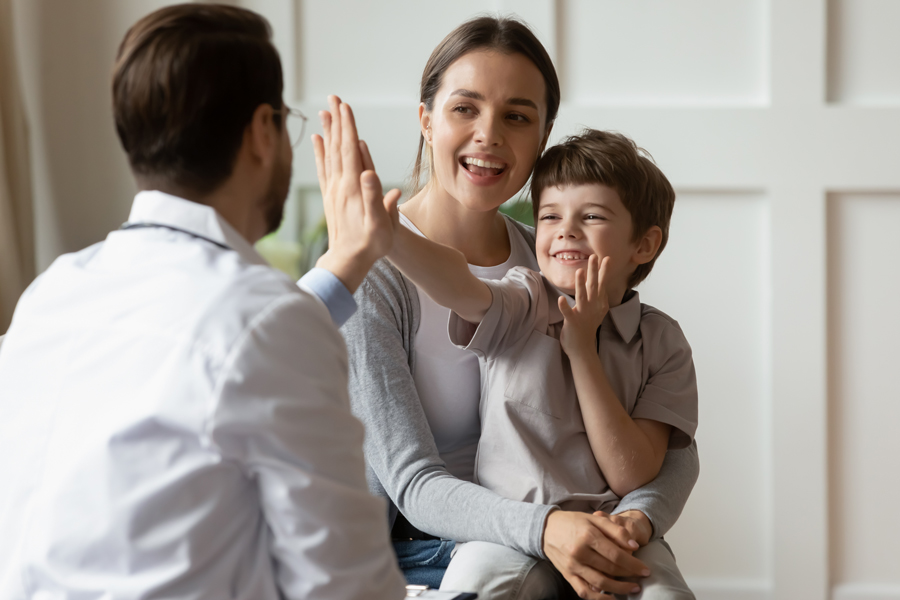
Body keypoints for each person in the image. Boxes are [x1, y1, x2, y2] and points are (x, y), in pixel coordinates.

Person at [0, 5, 406, 599]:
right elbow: (345, 586)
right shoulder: (264, 320)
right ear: (262, 132)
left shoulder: (52, 294)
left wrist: (347, 260)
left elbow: (211, 365)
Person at [336, 15, 701, 600]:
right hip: (421, 543)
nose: (489, 134)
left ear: (542, 137)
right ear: (427, 120)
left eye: (516, 116)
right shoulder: (374, 271)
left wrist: (636, 521)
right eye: (465, 108)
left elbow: (663, 442)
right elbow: (412, 482)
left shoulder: (553, 253)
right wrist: (546, 529)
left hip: (567, 524)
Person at [382, 129, 698, 599]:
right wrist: (391, 239)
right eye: (550, 215)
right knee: (481, 588)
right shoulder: (524, 297)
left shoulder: (663, 342)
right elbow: (460, 286)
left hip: (612, 531)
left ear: (644, 245)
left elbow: (633, 474)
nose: (566, 229)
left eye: (591, 216)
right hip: (507, 534)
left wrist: (582, 349)